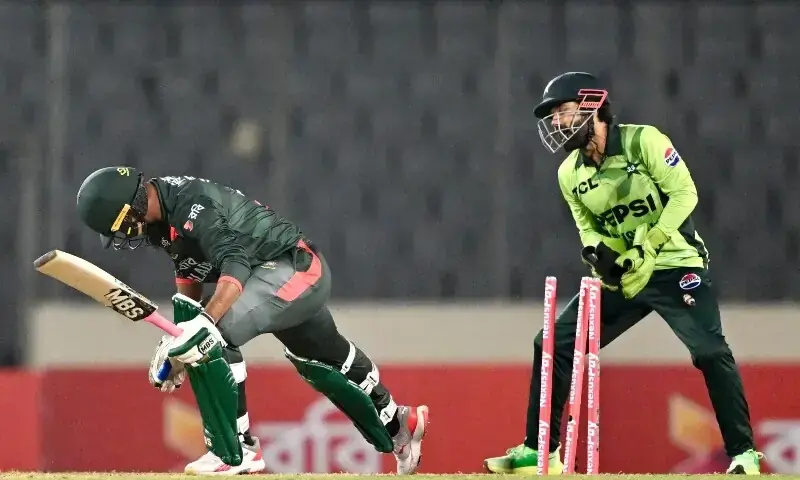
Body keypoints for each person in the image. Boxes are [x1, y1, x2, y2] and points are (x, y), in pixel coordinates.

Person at [483, 72, 762, 475]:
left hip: (675, 265)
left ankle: (744, 454)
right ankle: (540, 450)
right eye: (555, 116)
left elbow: (686, 193)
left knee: (710, 352)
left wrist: (648, 245)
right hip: (624, 277)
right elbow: (588, 230)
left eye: (563, 111)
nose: (558, 123)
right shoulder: (569, 175)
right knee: (551, 343)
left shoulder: (642, 141)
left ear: (592, 105)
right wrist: (603, 258)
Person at [75, 167, 429, 475]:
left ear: (131, 208)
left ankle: (236, 451)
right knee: (321, 358)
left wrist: (201, 327)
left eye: (119, 226)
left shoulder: (191, 205)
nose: (123, 235)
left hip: (294, 269)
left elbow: (235, 265)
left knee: (213, 337)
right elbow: (188, 272)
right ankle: (400, 424)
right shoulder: (160, 214)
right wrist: (174, 345)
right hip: (274, 274)